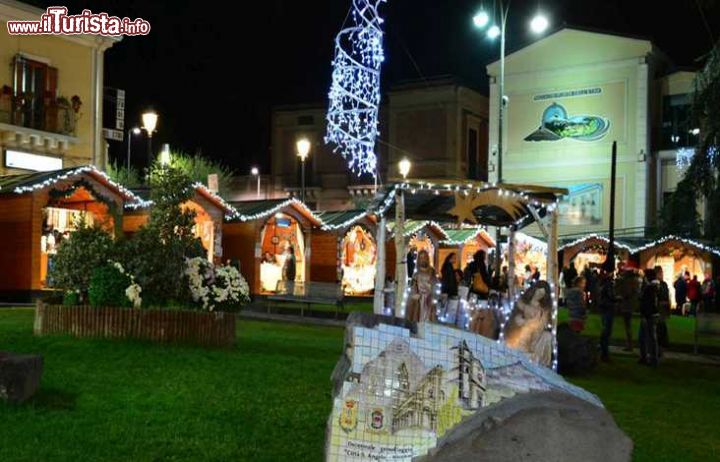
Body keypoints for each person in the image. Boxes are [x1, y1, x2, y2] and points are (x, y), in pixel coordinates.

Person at [406, 249, 439, 322]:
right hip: (419, 300)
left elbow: (435, 284)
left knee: (428, 319)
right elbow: (413, 286)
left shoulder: (432, 271)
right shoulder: (416, 273)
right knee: (418, 318)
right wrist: (415, 294)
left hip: (429, 299)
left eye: (424, 257)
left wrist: (433, 295)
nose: (423, 259)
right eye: (421, 257)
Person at [638, 268, 660, 366]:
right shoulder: (655, 287)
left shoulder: (649, 288)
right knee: (651, 337)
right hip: (652, 314)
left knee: (646, 337)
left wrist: (644, 314)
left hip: (648, 315)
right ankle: (651, 358)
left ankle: (648, 358)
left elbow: (647, 303)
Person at [615, 268, 641, 352]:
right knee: (628, 325)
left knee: (627, 325)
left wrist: (621, 297)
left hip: (627, 305)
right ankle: (630, 344)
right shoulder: (636, 281)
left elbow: (626, 293)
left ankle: (629, 345)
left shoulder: (628, 282)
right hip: (632, 304)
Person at [597, 269, 617, 362]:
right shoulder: (608, 284)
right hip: (608, 308)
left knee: (605, 330)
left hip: (605, 308)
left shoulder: (603, 283)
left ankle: (603, 352)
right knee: (606, 331)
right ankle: (604, 353)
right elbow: (611, 296)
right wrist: (617, 299)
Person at [655, 266, 671, 353]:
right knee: (659, 328)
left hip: (662, 310)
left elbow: (666, 297)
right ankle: (659, 347)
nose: (662, 274)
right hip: (658, 309)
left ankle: (661, 347)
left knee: (661, 328)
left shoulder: (663, 284)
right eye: (660, 273)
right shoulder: (656, 284)